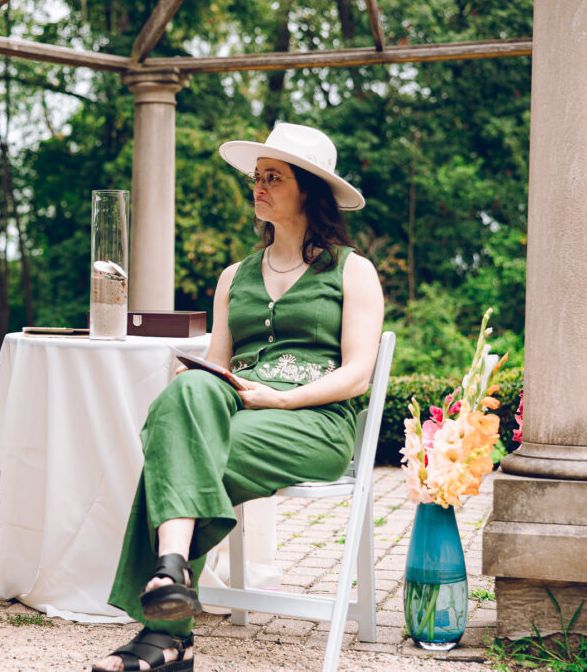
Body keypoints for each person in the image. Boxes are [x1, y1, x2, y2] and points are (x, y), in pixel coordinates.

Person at [91, 122, 384, 672]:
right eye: (257, 177)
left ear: (309, 190)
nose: (259, 187)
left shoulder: (353, 270)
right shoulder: (234, 276)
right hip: (237, 409)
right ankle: (171, 571)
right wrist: (203, 386)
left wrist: (277, 399)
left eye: (273, 177)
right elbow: (219, 365)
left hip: (315, 422)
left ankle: (166, 634)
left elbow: (357, 376)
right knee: (187, 392)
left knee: (176, 453)